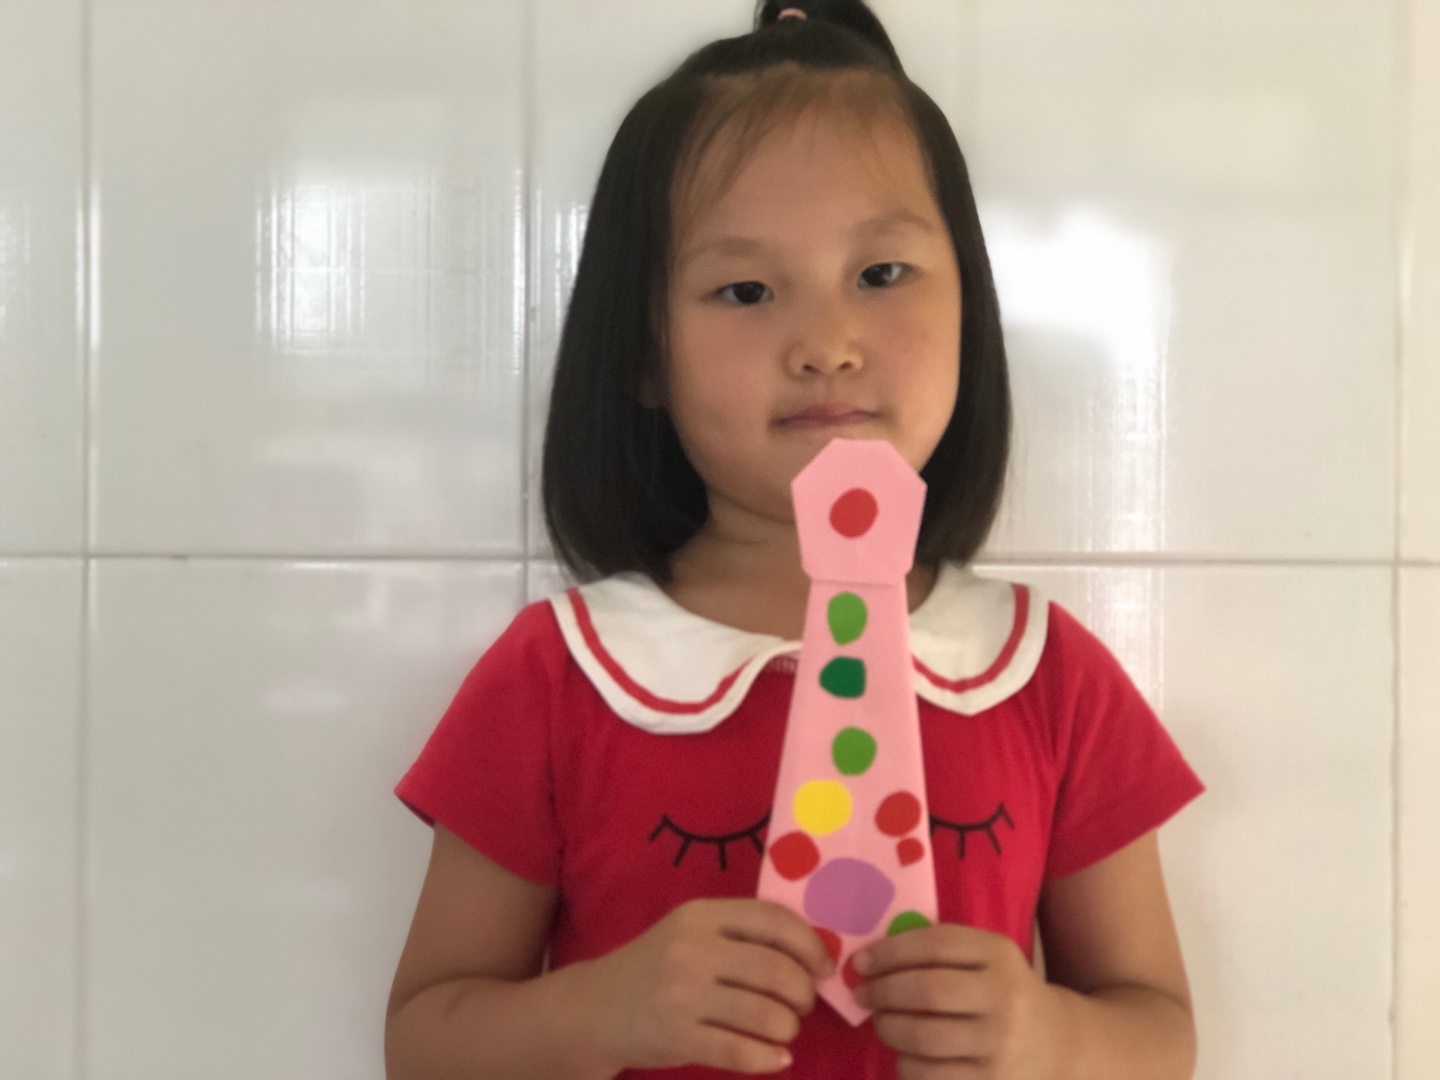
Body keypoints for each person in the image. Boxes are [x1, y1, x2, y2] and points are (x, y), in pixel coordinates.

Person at [384, 2, 1206, 1077]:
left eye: (881, 274)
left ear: (969, 308)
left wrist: (1048, 1038)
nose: (825, 345)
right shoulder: (557, 677)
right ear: (643, 355)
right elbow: (424, 1042)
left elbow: (1159, 1032)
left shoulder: (1046, 676)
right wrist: (602, 1009)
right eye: (745, 290)